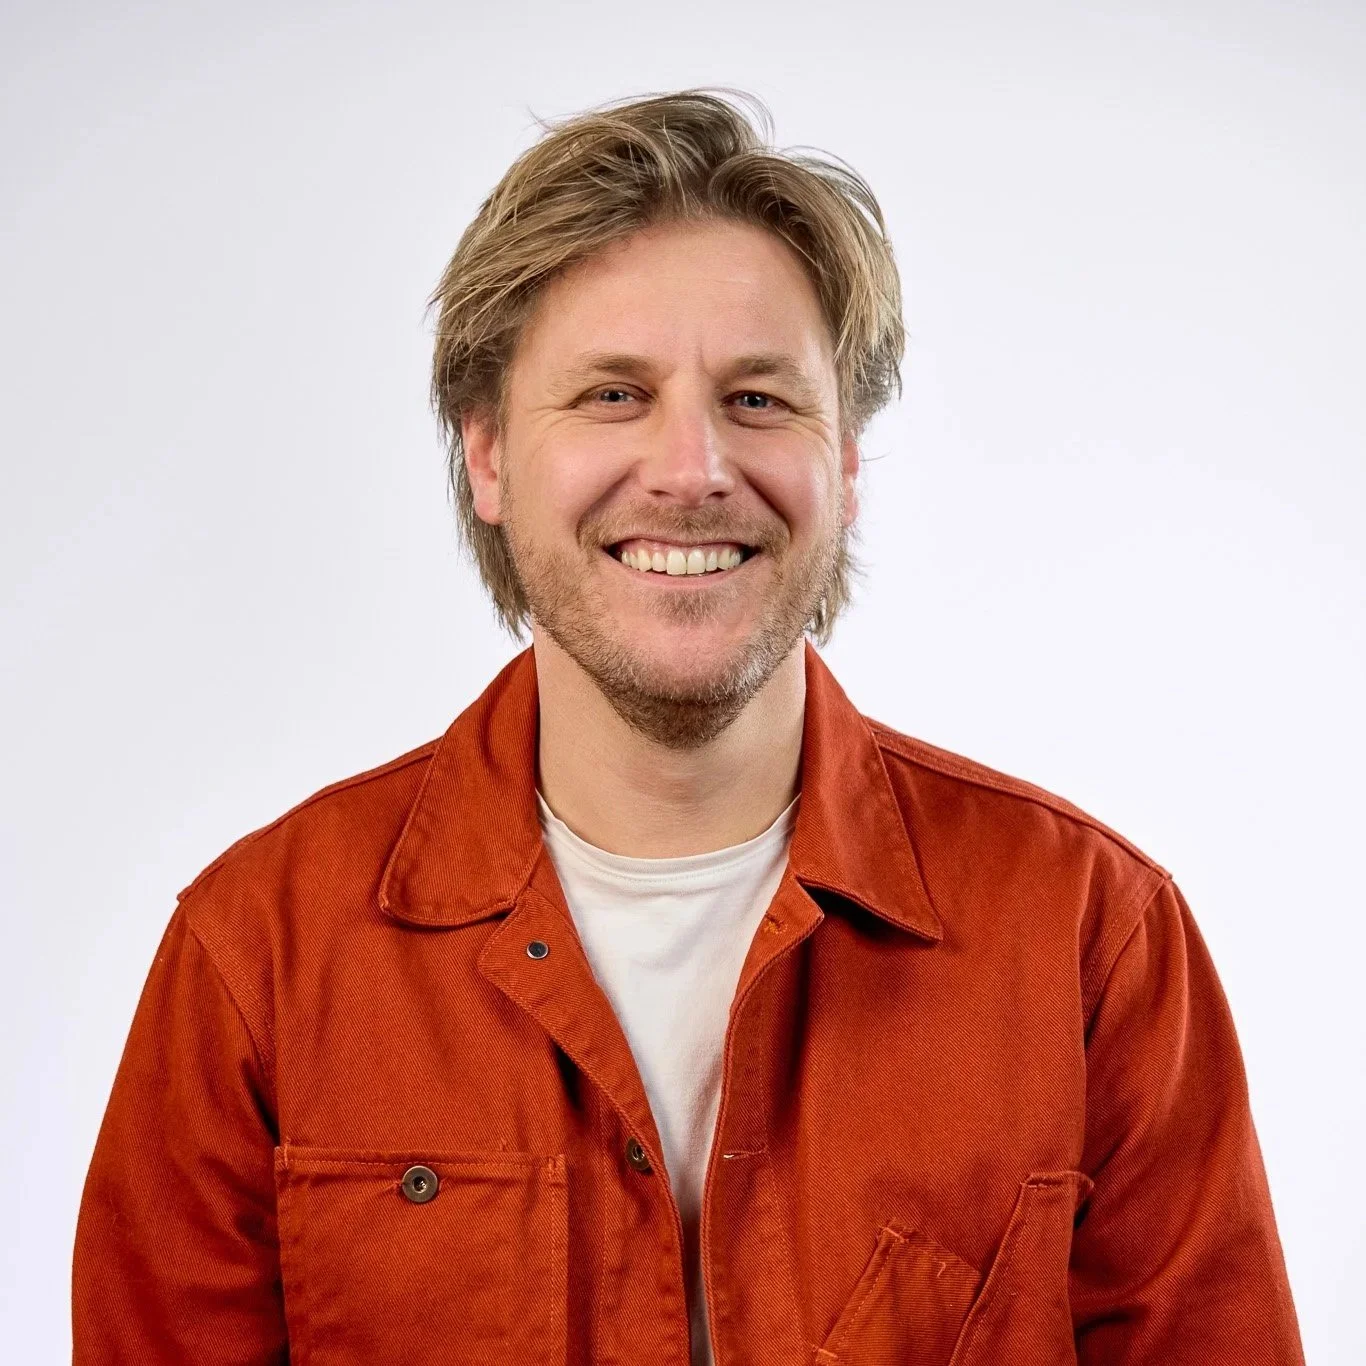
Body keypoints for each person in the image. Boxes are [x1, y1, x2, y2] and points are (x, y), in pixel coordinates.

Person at [72, 89, 1306, 1365]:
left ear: (849, 462)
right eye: (612, 394)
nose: (691, 468)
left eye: (760, 400)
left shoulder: (1093, 942)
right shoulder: (256, 962)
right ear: (487, 457)